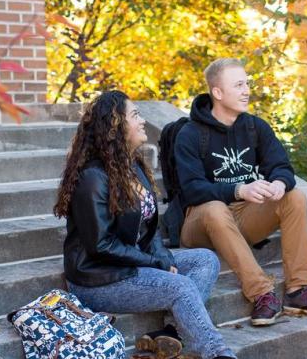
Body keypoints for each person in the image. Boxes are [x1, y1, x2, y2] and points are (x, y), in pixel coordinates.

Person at [55, 90, 235, 359]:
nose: (142, 121)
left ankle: (170, 333)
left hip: (131, 264)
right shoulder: (93, 179)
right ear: (115, 125)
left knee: (205, 260)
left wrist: (161, 257)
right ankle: (218, 352)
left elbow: (148, 229)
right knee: (181, 286)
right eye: (135, 115)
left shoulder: (133, 166)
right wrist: (156, 263)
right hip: (98, 279)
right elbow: (101, 246)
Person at [173, 58, 307, 327]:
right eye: (238, 85)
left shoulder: (254, 127)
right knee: (215, 208)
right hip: (201, 225)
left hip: (242, 219)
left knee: (294, 197)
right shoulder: (190, 134)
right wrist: (239, 189)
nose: (246, 90)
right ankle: (262, 293)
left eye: (247, 83)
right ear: (217, 93)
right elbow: (192, 190)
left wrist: (279, 184)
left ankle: (298, 289)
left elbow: (282, 167)